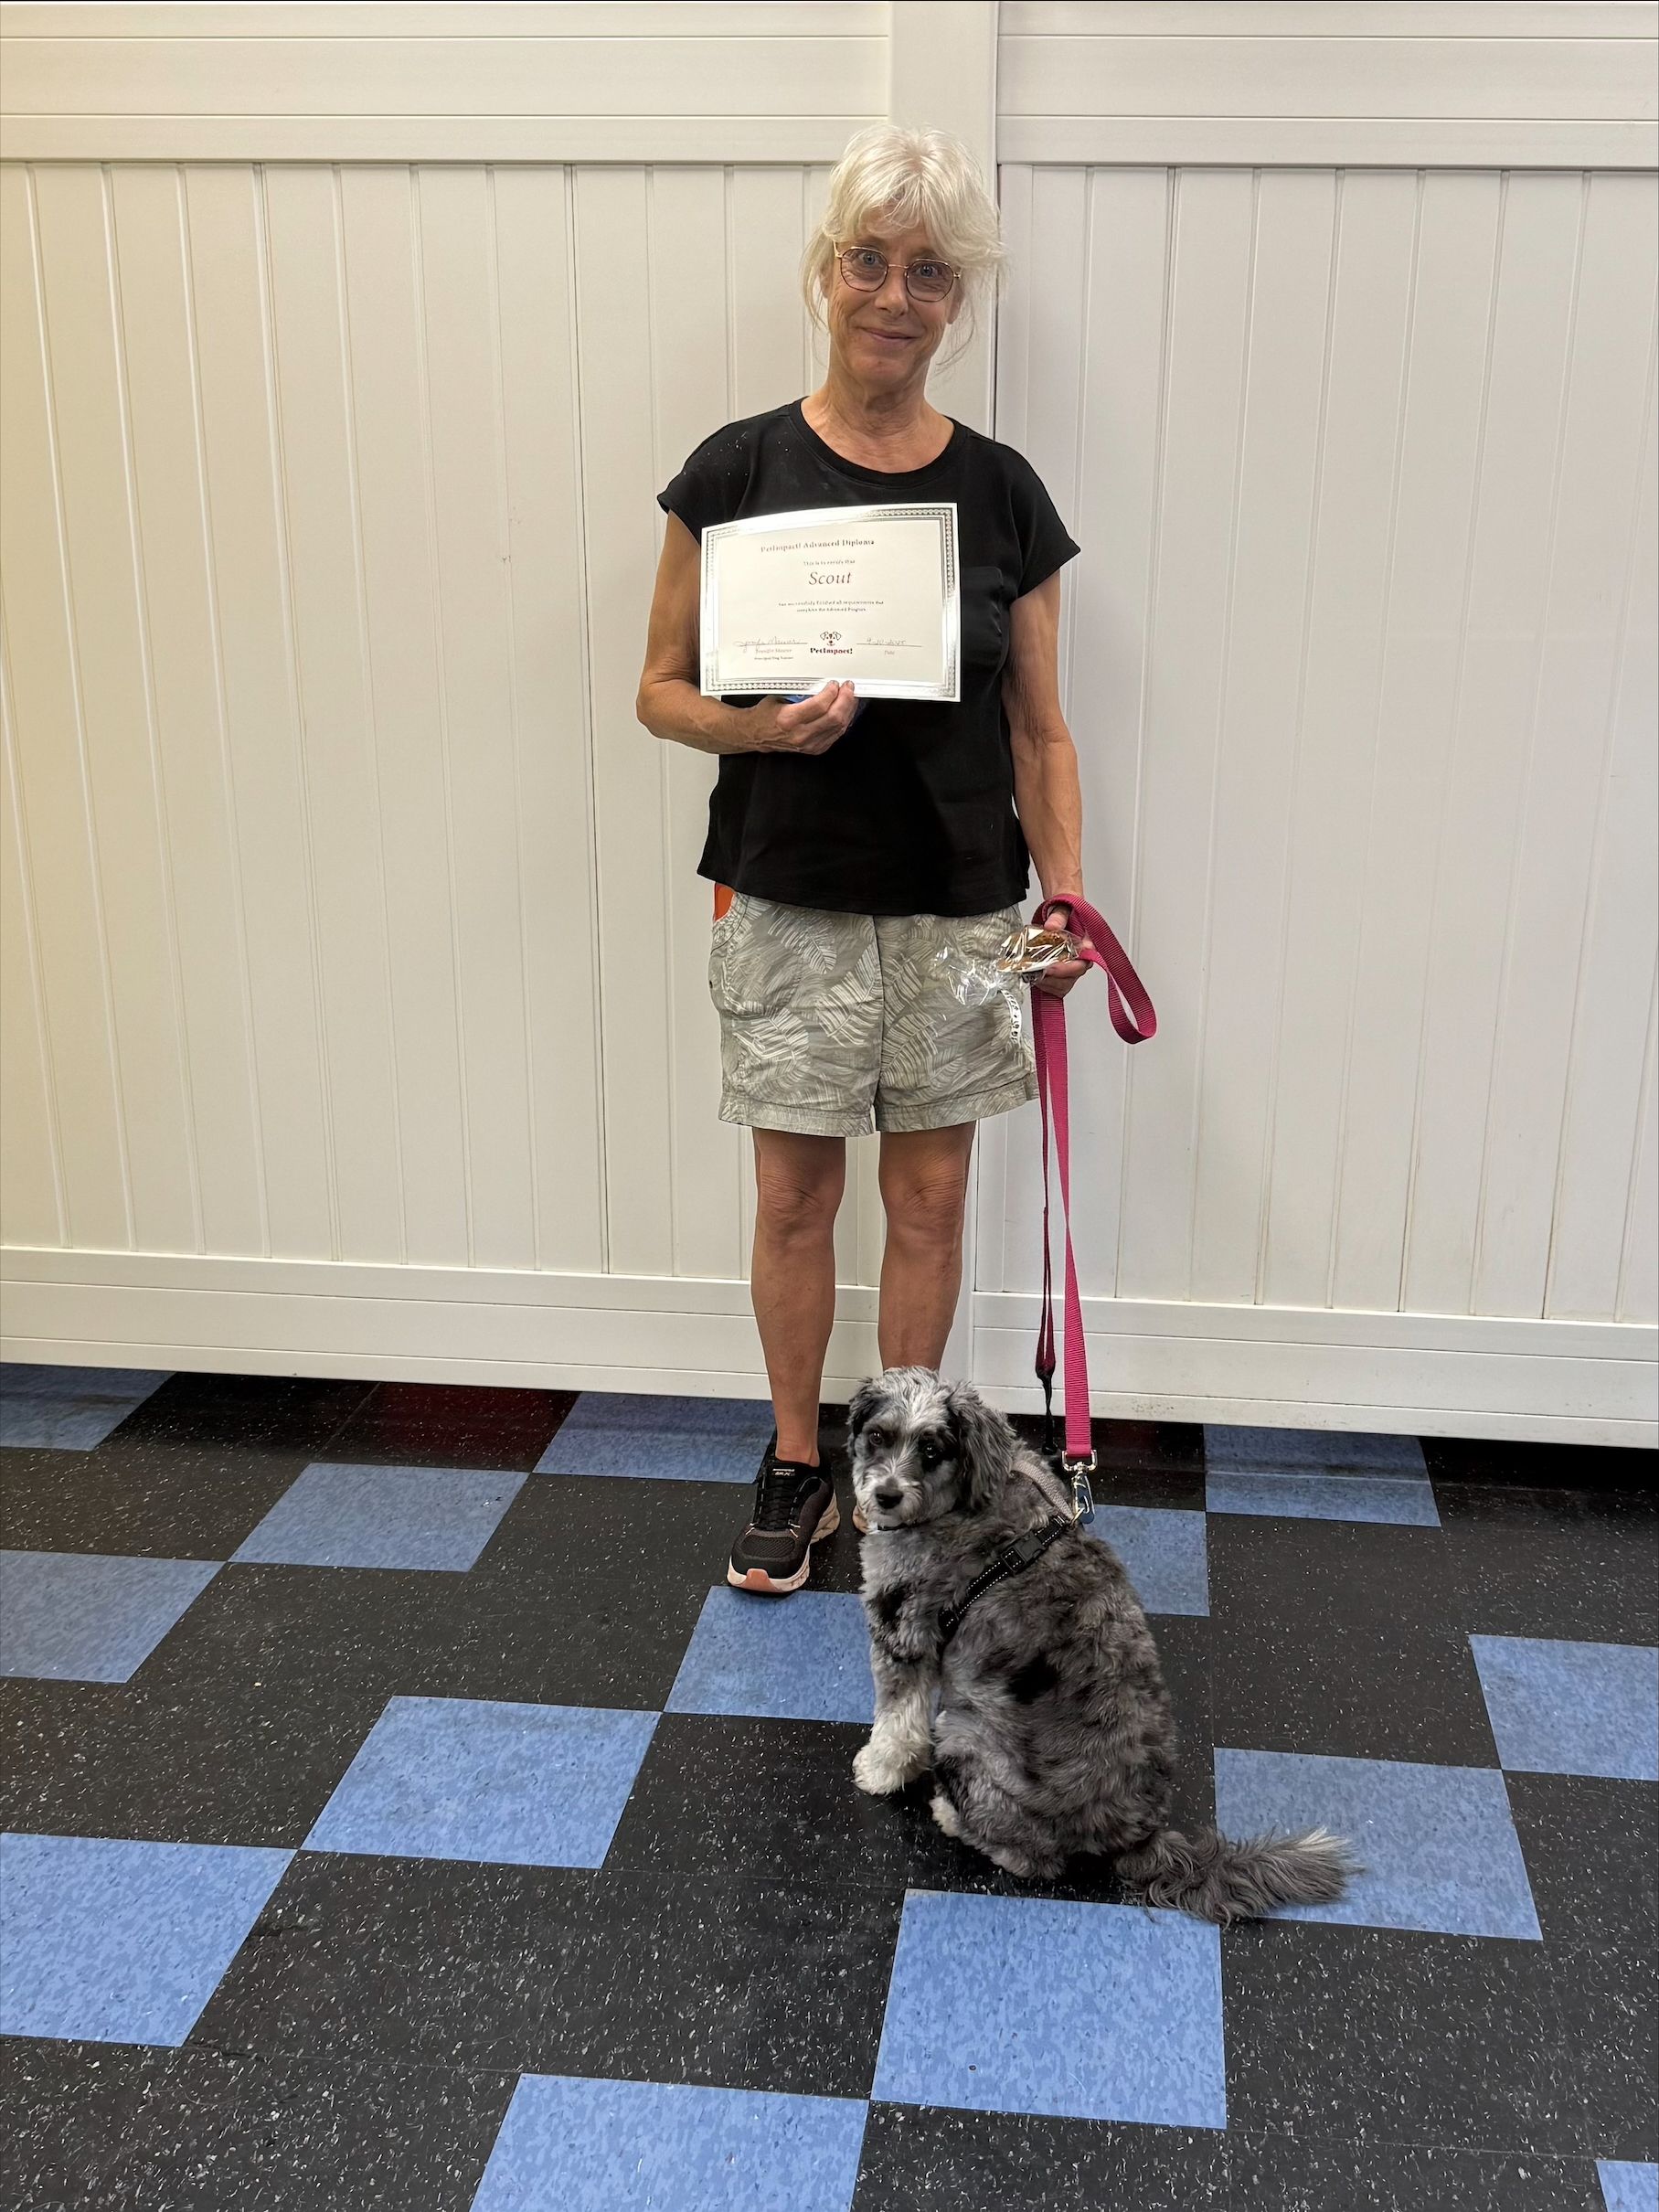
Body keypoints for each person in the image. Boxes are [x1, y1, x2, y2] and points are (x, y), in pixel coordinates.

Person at [636, 123, 1092, 1596]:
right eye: (870, 262)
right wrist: (762, 732)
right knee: (791, 1202)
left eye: (931, 272)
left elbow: (1044, 732)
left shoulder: (1006, 492)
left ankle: (899, 1465)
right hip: (788, 895)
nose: (895, 295)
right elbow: (658, 691)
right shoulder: (736, 468)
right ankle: (792, 1459)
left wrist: (1067, 900)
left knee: (932, 1203)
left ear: (957, 300)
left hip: (963, 905)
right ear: (828, 273)